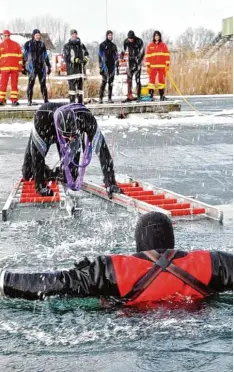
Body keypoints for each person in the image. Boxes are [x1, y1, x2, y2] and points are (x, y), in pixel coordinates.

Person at [0, 212, 232, 305]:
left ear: (138, 244)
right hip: (195, 323)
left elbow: (57, 282)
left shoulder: (112, 269)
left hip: (132, 329)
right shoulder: (214, 263)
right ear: (171, 240)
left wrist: (6, 281)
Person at [22, 102, 123, 198]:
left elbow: (102, 150)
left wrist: (111, 182)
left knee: (70, 176)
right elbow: (37, 155)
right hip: (48, 126)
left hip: (71, 129)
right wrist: (40, 186)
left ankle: (58, 172)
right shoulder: (42, 119)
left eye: (72, 135)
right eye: (67, 136)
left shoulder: (85, 118)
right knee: (28, 173)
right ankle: (48, 173)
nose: (70, 138)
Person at [22, 29, 51, 106]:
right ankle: (29, 101)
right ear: (33, 36)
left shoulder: (42, 44)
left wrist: (49, 66)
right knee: (30, 84)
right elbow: (24, 55)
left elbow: (45, 56)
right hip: (32, 68)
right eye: (36, 35)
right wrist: (23, 66)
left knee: (43, 85)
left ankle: (45, 100)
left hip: (41, 67)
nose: (38, 36)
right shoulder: (28, 44)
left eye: (39, 35)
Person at [63, 30, 89, 104]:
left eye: (75, 34)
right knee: (72, 90)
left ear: (77, 35)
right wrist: (76, 60)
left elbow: (86, 54)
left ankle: (80, 103)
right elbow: (66, 58)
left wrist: (85, 59)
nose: (74, 35)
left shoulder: (81, 45)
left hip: (81, 71)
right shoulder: (67, 46)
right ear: (71, 35)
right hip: (72, 71)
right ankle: (72, 103)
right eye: (72, 34)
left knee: (80, 89)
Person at [145, 31, 170, 101]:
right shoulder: (150, 46)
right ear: (154, 37)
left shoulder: (163, 45)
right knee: (151, 81)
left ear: (160, 37)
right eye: (155, 36)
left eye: (158, 36)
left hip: (162, 66)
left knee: (161, 81)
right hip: (152, 67)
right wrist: (148, 66)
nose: (157, 37)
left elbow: (167, 55)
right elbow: (147, 56)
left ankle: (161, 96)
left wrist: (167, 65)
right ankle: (150, 96)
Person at [120, 30, 144, 102]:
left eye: (131, 39)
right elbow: (123, 50)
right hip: (130, 61)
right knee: (129, 79)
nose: (130, 40)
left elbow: (142, 52)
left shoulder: (139, 41)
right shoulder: (126, 41)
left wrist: (139, 60)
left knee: (137, 79)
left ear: (134, 37)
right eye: (129, 39)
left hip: (137, 61)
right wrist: (122, 56)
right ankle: (129, 95)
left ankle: (139, 95)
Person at [0, 30, 22, 106]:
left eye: (8, 35)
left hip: (14, 68)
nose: (6, 37)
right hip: (4, 69)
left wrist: (20, 68)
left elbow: (20, 58)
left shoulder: (16, 45)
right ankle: (1, 99)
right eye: (5, 35)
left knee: (14, 85)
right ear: (3, 36)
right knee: (3, 85)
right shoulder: (0, 45)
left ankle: (14, 100)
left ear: (10, 36)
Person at [98, 30, 119, 104]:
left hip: (112, 66)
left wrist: (117, 60)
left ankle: (109, 98)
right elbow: (100, 57)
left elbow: (116, 57)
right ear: (106, 36)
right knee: (104, 82)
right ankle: (100, 98)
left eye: (111, 35)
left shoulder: (114, 46)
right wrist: (100, 67)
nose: (110, 36)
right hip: (104, 66)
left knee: (111, 83)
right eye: (109, 35)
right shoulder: (102, 45)